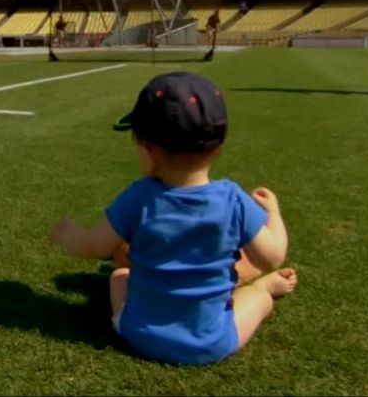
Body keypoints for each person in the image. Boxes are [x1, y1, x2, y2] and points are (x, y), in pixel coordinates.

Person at [50, 72, 297, 366]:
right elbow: (272, 257)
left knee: (118, 276)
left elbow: (96, 247)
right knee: (257, 300)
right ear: (217, 148)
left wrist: (71, 235)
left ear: (149, 153)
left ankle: (248, 288)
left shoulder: (138, 197)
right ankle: (263, 289)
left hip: (138, 335)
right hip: (211, 343)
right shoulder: (233, 200)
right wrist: (273, 213)